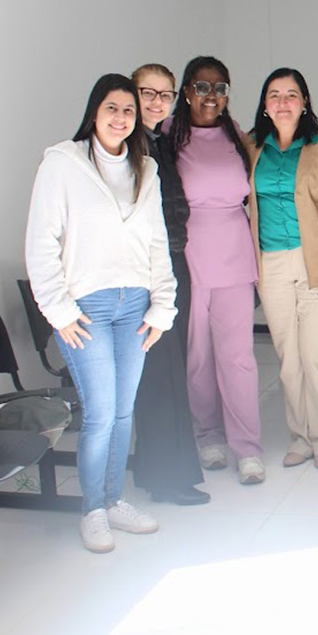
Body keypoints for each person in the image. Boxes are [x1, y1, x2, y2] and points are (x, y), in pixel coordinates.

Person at [26, 74, 177, 553]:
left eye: (129, 110)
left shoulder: (145, 168)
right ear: (94, 111)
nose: (121, 117)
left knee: (124, 410)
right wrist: (58, 310)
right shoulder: (62, 163)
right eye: (112, 108)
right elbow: (41, 241)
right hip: (86, 308)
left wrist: (162, 305)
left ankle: (113, 501)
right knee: (100, 413)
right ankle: (92, 509)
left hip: (134, 305)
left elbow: (157, 242)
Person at [166, 57, 265, 485]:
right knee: (198, 355)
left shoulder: (235, 133)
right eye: (202, 87)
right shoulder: (168, 134)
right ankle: (208, 435)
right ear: (187, 91)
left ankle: (248, 447)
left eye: (220, 87)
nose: (212, 96)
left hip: (234, 254)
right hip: (189, 256)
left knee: (238, 357)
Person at [247, 68, 318, 471]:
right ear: (265, 105)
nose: (283, 102)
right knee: (288, 358)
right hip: (269, 263)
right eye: (274, 94)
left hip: (314, 260)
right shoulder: (250, 147)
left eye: (291, 94)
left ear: (305, 102)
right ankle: (300, 438)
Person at [129, 63, 209, 505]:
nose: (158, 102)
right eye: (148, 93)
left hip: (172, 264)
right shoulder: (127, 146)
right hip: (147, 272)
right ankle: (167, 479)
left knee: (169, 371)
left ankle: (155, 472)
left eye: (166, 94)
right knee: (160, 376)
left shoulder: (158, 140)